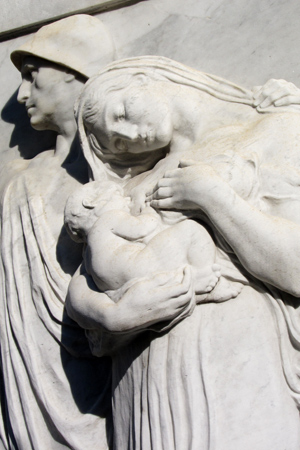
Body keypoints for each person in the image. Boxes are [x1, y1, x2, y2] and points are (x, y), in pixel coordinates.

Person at [69, 56, 300, 450]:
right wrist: (112, 313)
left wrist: (213, 197)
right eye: (118, 143)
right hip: (139, 379)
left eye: (122, 112)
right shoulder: (138, 179)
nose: (130, 135)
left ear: (144, 77)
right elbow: (87, 272)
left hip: (231, 360)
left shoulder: (278, 127)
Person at [0, 15, 117, 450]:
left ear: (74, 73)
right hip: (28, 372)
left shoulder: (123, 171)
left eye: (33, 76)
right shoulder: (19, 183)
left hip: (107, 369)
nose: (22, 94)